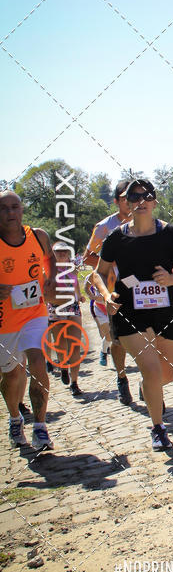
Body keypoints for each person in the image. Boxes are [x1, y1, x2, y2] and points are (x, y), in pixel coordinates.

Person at [95, 179, 173, 450]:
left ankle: (148, 388)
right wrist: (106, 295)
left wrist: (171, 279)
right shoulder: (116, 238)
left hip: (166, 311)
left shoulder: (171, 235)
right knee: (150, 370)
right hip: (129, 313)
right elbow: (99, 274)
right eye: (134, 196)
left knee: (167, 374)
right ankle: (158, 429)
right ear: (126, 202)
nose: (140, 201)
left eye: (146, 196)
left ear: (154, 201)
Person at [0, 190, 57, 450]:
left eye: (15, 207)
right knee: (11, 376)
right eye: (4, 208)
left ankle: (40, 427)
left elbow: (49, 258)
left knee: (37, 361)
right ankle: (14, 417)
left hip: (34, 312)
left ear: (22, 209)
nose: (10, 213)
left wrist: (51, 279)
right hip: (5, 320)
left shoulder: (38, 235)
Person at [84, 181, 134, 405]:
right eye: (125, 198)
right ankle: (122, 377)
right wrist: (113, 259)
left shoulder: (146, 223)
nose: (130, 202)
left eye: (134, 197)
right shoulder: (105, 227)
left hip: (141, 288)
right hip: (115, 290)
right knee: (119, 339)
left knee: (148, 336)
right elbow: (87, 257)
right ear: (116, 201)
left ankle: (149, 379)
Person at [46, 242, 86, 396]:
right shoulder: (49, 271)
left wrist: (79, 296)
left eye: (65, 252)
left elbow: (75, 286)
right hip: (56, 309)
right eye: (58, 252)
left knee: (75, 344)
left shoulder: (72, 270)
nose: (62, 254)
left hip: (73, 308)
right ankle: (63, 366)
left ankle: (75, 382)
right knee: (61, 343)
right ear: (53, 254)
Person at [84, 272, 111, 366]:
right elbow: (86, 288)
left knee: (118, 335)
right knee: (109, 334)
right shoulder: (93, 275)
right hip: (100, 309)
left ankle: (116, 359)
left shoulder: (117, 270)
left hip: (113, 308)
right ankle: (103, 352)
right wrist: (93, 296)